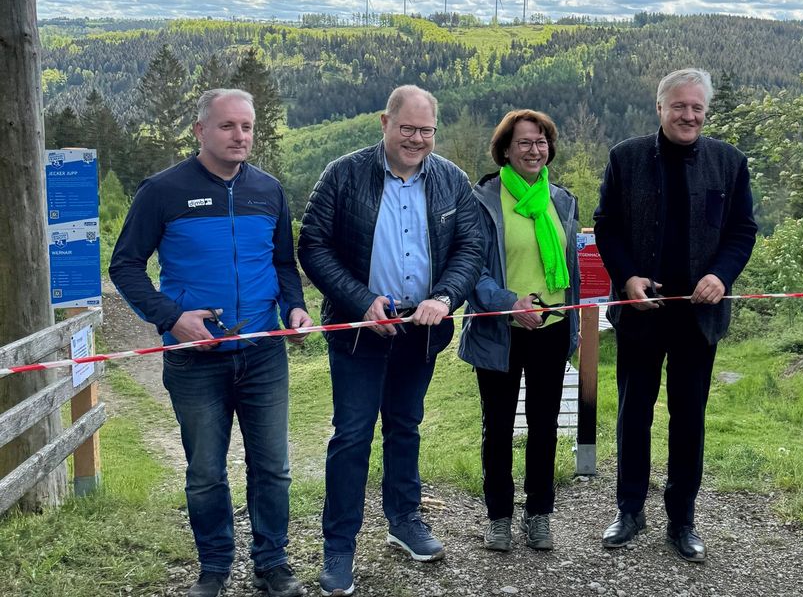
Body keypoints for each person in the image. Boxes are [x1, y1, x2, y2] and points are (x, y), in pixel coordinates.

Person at [109, 89, 312, 597]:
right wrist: (171, 318)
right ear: (200, 131)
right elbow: (126, 266)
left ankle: (272, 564)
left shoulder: (269, 190)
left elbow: (284, 264)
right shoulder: (162, 190)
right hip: (195, 359)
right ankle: (215, 568)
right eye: (227, 126)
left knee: (273, 468)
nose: (240, 135)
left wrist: (294, 306)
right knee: (204, 471)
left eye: (247, 126)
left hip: (264, 353)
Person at [297, 85, 483, 595]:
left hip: (421, 332)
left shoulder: (451, 180)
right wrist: (360, 300)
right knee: (352, 435)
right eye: (408, 128)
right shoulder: (343, 173)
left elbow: (472, 246)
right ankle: (339, 546)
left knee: (406, 426)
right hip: (359, 330)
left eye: (426, 131)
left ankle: (404, 521)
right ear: (385, 122)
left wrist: (444, 297)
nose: (417, 139)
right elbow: (312, 244)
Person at [593, 68, 758, 562]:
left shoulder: (728, 162)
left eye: (697, 108)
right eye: (679, 106)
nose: (689, 116)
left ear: (706, 112)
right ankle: (629, 510)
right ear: (660, 108)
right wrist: (626, 278)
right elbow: (607, 227)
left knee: (689, 419)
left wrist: (722, 276)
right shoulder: (626, 158)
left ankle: (682, 520)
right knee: (633, 415)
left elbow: (742, 231)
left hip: (698, 317)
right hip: (642, 313)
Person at [458, 110, 580, 553]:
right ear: (505, 149)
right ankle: (499, 517)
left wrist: (569, 316)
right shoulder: (483, 198)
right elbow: (470, 268)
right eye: (525, 142)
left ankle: (540, 514)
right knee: (499, 426)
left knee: (544, 425)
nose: (534, 150)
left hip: (551, 327)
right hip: (500, 330)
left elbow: (571, 268)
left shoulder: (562, 200)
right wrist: (511, 302)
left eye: (541, 142)